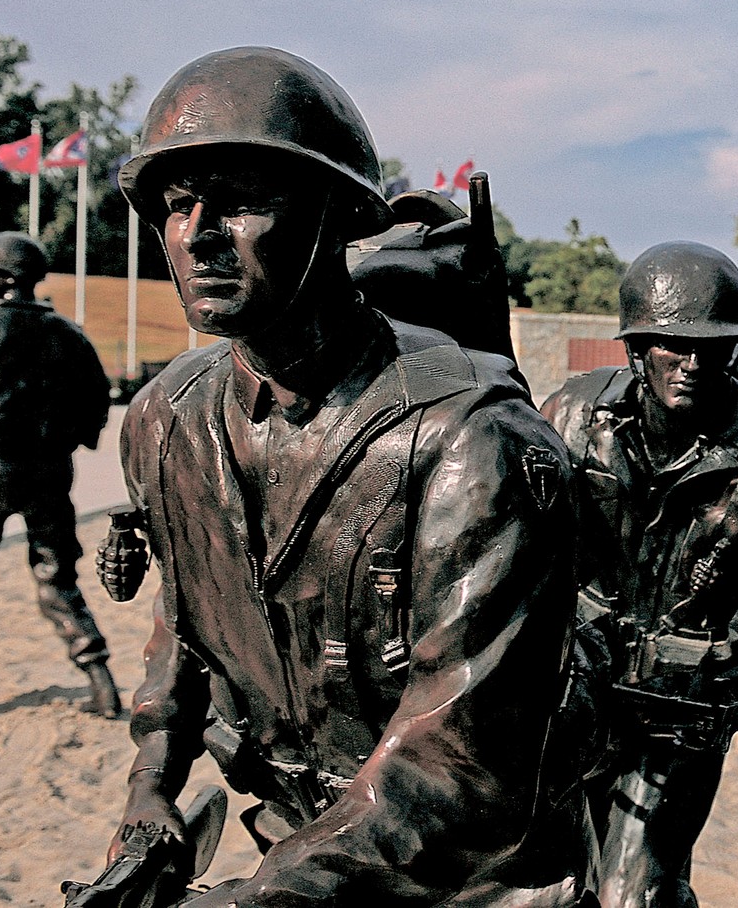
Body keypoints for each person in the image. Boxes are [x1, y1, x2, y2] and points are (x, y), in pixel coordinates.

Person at [106, 46, 591, 905]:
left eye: (243, 199)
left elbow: (462, 765)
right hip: (293, 842)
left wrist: (260, 899)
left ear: (337, 216)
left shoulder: (471, 441)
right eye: (178, 205)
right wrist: (151, 788)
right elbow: (182, 622)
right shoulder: (165, 419)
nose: (199, 234)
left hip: (469, 878)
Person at [540, 241, 738, 908]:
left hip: (675, 722)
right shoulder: (570, 417)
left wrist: (652, 660)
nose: (694, 363)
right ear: (636, 346)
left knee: (632, 894)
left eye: (714, 346)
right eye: (673, 344)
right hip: (564, 703)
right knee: (549, 887)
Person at [0, 231, 118, 724]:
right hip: (49, 475)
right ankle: (100, 681)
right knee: (58, 578)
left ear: (6, 277)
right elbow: (97, 401)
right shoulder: (68, 332)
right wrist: (70, 439)